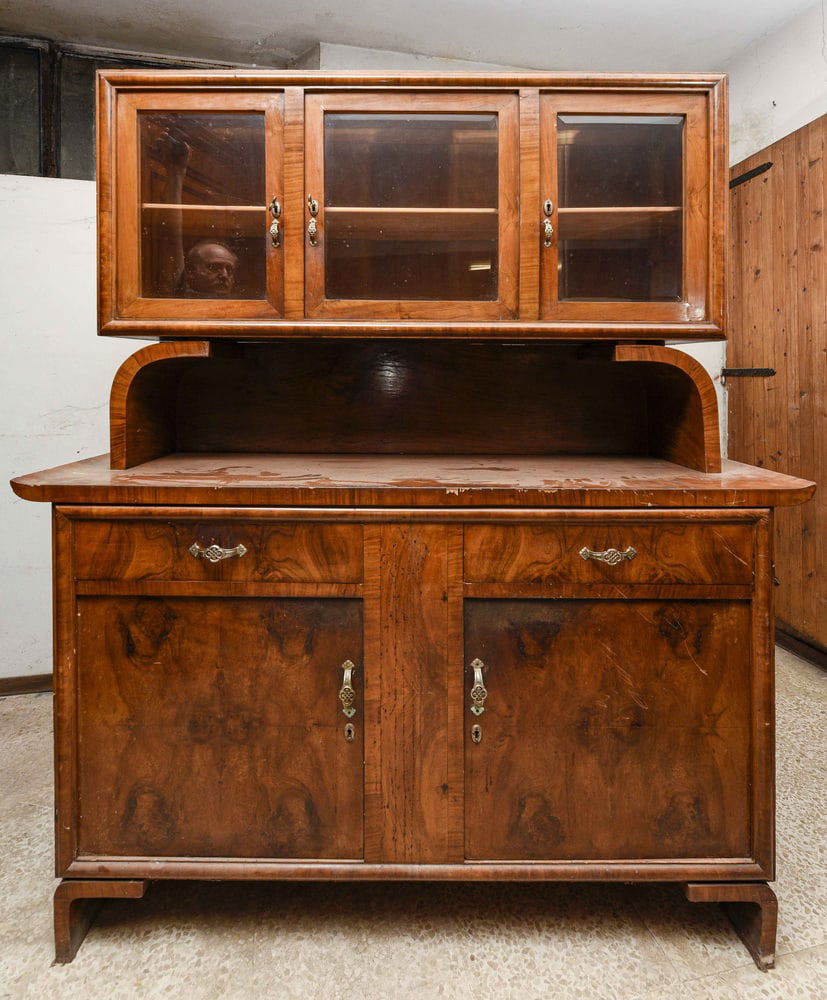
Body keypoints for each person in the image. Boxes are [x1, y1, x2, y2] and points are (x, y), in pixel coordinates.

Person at [153, 127, 240, 299]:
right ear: (190, 273)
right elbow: (172, 236)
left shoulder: (243, 310)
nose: (224, 275)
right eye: (214, 267)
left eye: (229, 270)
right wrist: (176, 173)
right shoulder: (181, 296)